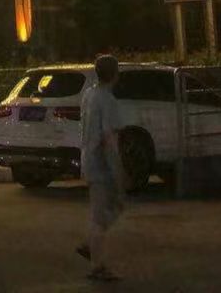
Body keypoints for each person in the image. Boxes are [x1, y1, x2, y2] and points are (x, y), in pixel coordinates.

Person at [77, 54, 126, 283]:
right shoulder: (108, 100)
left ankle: (91, 245)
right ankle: (96, 264)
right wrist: (118, 169)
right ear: (115, 74)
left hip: (89, 159)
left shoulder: (89, 95)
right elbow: (109, 139)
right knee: (105, 213)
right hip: (101, 164)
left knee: (107, 209)